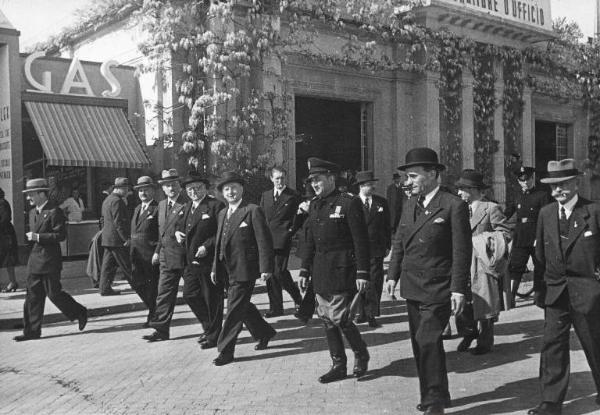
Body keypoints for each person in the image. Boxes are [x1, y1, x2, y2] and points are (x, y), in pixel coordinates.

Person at [386, 147, 471, 415]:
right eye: (406, 177)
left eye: (412, 176)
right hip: (412, 285)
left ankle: (434, 400)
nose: (407, 182)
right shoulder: (410, 204)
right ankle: (436, 393)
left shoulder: (453, 205)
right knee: (418, 342)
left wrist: (458, 289)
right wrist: (392, 275)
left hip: (439, 285)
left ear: (433, 174)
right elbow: (399, 240)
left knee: (427, 340)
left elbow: (461, 251)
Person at [528, 159, 600, 415]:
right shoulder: (547, 214)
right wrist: (539, 289)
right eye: (552, 186)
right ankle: (550, 402)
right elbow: (540, 257)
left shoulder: (594, 211)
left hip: (588, 294)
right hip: (555, 291)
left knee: (595, 344)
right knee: (552, 346)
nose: (557, 190)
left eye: (562, 184)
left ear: (576, 182)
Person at [299, 157, 371, 383]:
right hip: (320, 271)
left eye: (318, 180)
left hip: (342, 269)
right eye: (312, 181)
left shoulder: (349, 202)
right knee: (326, 319)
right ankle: (338, 365)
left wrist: (362, 272)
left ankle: (361, 353)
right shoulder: (314, 205)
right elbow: (310, 240)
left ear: (331, 178)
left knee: (341, 317)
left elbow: (361, 241)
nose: (315, 185)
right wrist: (303, 269)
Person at [211, 171, 277, 366]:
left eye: (234, 188)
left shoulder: (252, 210)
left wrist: (266, 267)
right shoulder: (223, 213)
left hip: (244, 269)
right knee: (242, 306)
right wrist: (215, 268)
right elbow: (219, 243)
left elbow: (264, 241)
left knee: (233, 309)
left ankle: (225, 350)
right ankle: (264, 332)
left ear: (242, 189)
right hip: (225, 269)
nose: (231, 192)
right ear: (223, 193)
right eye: (227, 189)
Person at [14, 178, 87, 341]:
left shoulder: (54, 211)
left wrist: (38, 236)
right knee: (32, 297)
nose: (28, 198)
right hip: (35, 261)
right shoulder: (33, 212)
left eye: (31, 194)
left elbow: (60, 235)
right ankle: (31, 331)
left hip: (49, 261)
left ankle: (80, 312)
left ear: (41, 193)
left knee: (54, 294)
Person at [454, 169, 511, 355]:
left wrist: (483, 241)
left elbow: (505, 233)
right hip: (463, 262)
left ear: (473, 189)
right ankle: (468, 333)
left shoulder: (491, 208)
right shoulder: (458, 208)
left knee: (485, 302)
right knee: (463, 298)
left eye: (462, 189)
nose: (459, 193)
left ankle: (485, 342)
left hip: (481, 264)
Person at [175, 172, 225, 349]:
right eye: (190, 189)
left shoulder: (215, 205)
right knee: (190, 295)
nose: (194, 191)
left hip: (208, 262)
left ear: (205, 188)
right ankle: (209, 327)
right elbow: (178, 225)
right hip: (190, 261)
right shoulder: (187, 207)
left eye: (198, 188)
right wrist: (176, 232)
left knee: (212, 299)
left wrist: (207, 246)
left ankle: (214, 336)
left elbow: (221, 232)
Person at [143, 169, 188, 342]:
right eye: (168, 186)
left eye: (174, 185)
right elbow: (162, 233)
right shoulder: (161, 206)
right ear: (163, 188)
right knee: (163, 294)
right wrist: (157, 252)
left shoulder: (187, 203)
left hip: (184, 256)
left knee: (196, 294)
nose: (171, 188)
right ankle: (161, 330)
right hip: (166, 256)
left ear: (179, 186)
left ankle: (211, 328)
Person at [504, 166, 552, 306]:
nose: (525, 183)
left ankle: (539, 296)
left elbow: (546, 217)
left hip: (536, 235)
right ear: (519, 181)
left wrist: (541, 237)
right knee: (516, 266)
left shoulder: (542, 195)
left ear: (533, 179)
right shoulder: (517, 195)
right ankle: (511, 297)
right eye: (522, 180)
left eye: (528, 180)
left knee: (540, 266)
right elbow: (508, 212)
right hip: (520, 236)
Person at [260, 166, 303, 318]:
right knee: (273, 273)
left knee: (278, 271)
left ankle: (293, 301)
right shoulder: (265, 195)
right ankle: (279, 306)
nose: (280, 181)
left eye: (282, 178)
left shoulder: (293, 195)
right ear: (271, 178)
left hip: (283, 238)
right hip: (267, 239)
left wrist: (291, 230)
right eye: (277, 178)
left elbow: (299, 216)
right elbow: (261, 216)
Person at [354, 170, 391, 328]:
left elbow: (387, 225)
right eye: (369, 185)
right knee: (360, 281)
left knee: (375, 281)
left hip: (376, 248)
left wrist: (388, 244)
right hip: (358, 249)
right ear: (361, 186)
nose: (373, 187)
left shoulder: (381, 203)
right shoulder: (353, 203)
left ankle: (372, 314)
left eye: (372, 184)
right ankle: (360, 312)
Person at [130, 176, 160, 327]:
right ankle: (155, 311)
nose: (143, 193)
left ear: (153, 191)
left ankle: (154, 315)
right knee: (136, 283)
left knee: (152, 287)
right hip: (137, 255)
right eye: (140, 190)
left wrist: (157, 252)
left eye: (146, 190)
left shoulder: (157, 208)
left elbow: (162, 233)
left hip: (150, 255)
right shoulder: (137, 209)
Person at [99, 178, 132, 296]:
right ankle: (139, 285)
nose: (127, 191)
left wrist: (105, 233)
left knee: (107, 266)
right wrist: (126, 238)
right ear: (119, 189)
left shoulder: (107, 200)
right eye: (126, 189)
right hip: (117, 240)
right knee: (127, 264)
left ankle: (104, 288)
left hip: (108, 239)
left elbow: (102, 220)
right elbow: (119, 223)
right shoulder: (118, 201)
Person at [293, 181, 317, 325]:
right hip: (307, 249)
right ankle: (306, 311)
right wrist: (299, 213)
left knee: (315, 281)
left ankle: (305, 311)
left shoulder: (318, 207)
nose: (309, 201)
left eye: (311, 198)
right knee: (313, 281)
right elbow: (296, 227)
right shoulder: (304, 209)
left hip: (317, 249)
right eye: (307, 199)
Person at [0, 187, 19, 292]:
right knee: (8, 260)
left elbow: (5, 219)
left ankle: (13, 282)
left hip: (5, 235)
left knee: (8, 260)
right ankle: (13, 282)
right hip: (4, 234)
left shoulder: (2, 203)